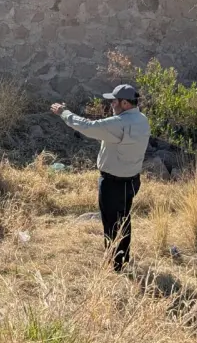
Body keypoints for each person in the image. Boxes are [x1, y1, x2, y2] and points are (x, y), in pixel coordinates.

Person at [51, 85, 150, 272]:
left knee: (112, 223)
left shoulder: (119, 123)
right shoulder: (141, 120)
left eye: (114, 101)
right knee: (124, 220)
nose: (111, 104)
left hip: (113, 183)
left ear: (125, 103)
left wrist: (64, 112)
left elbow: (87, 127)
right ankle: (122, 259)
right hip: (132, 180)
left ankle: (115, 266)